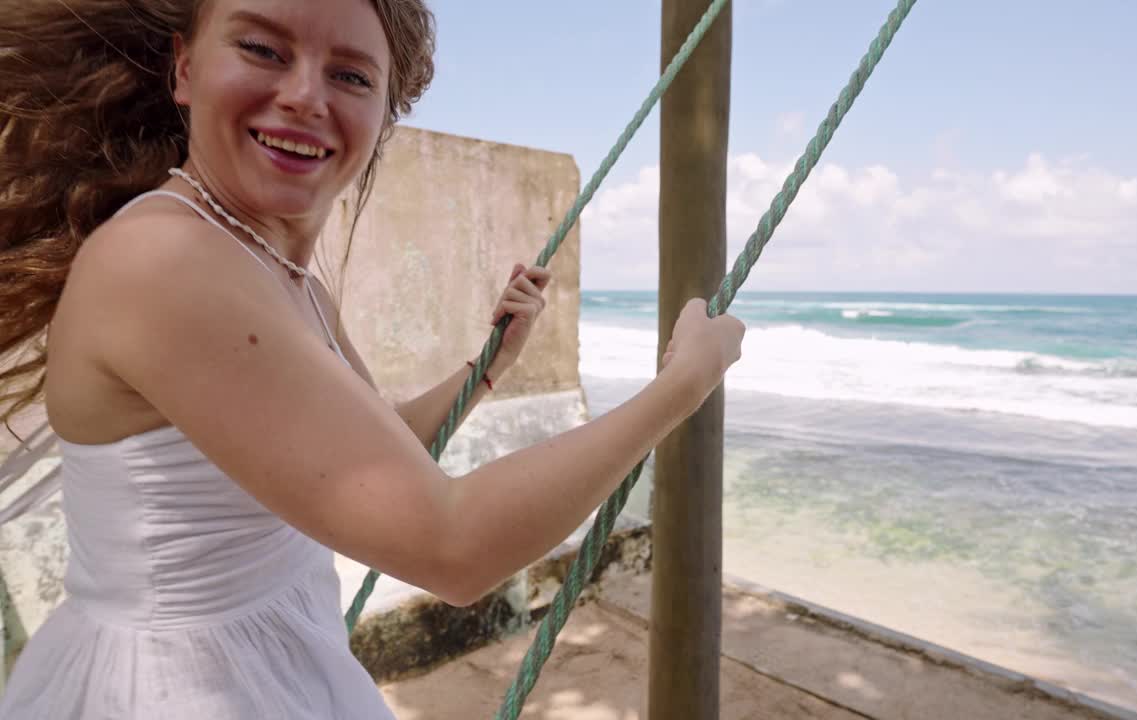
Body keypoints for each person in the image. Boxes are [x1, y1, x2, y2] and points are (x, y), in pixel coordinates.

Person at [0, 0, 746, 717]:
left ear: (384, 112)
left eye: (351, 75)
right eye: (262, 48)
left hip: (263, 660)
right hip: (181, 688)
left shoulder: (280, 274)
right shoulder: (165, 260)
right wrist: (685, 382)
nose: (302, 95)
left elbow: (377, 456)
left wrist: (486, 369)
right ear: (186, 68)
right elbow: (453, 548)